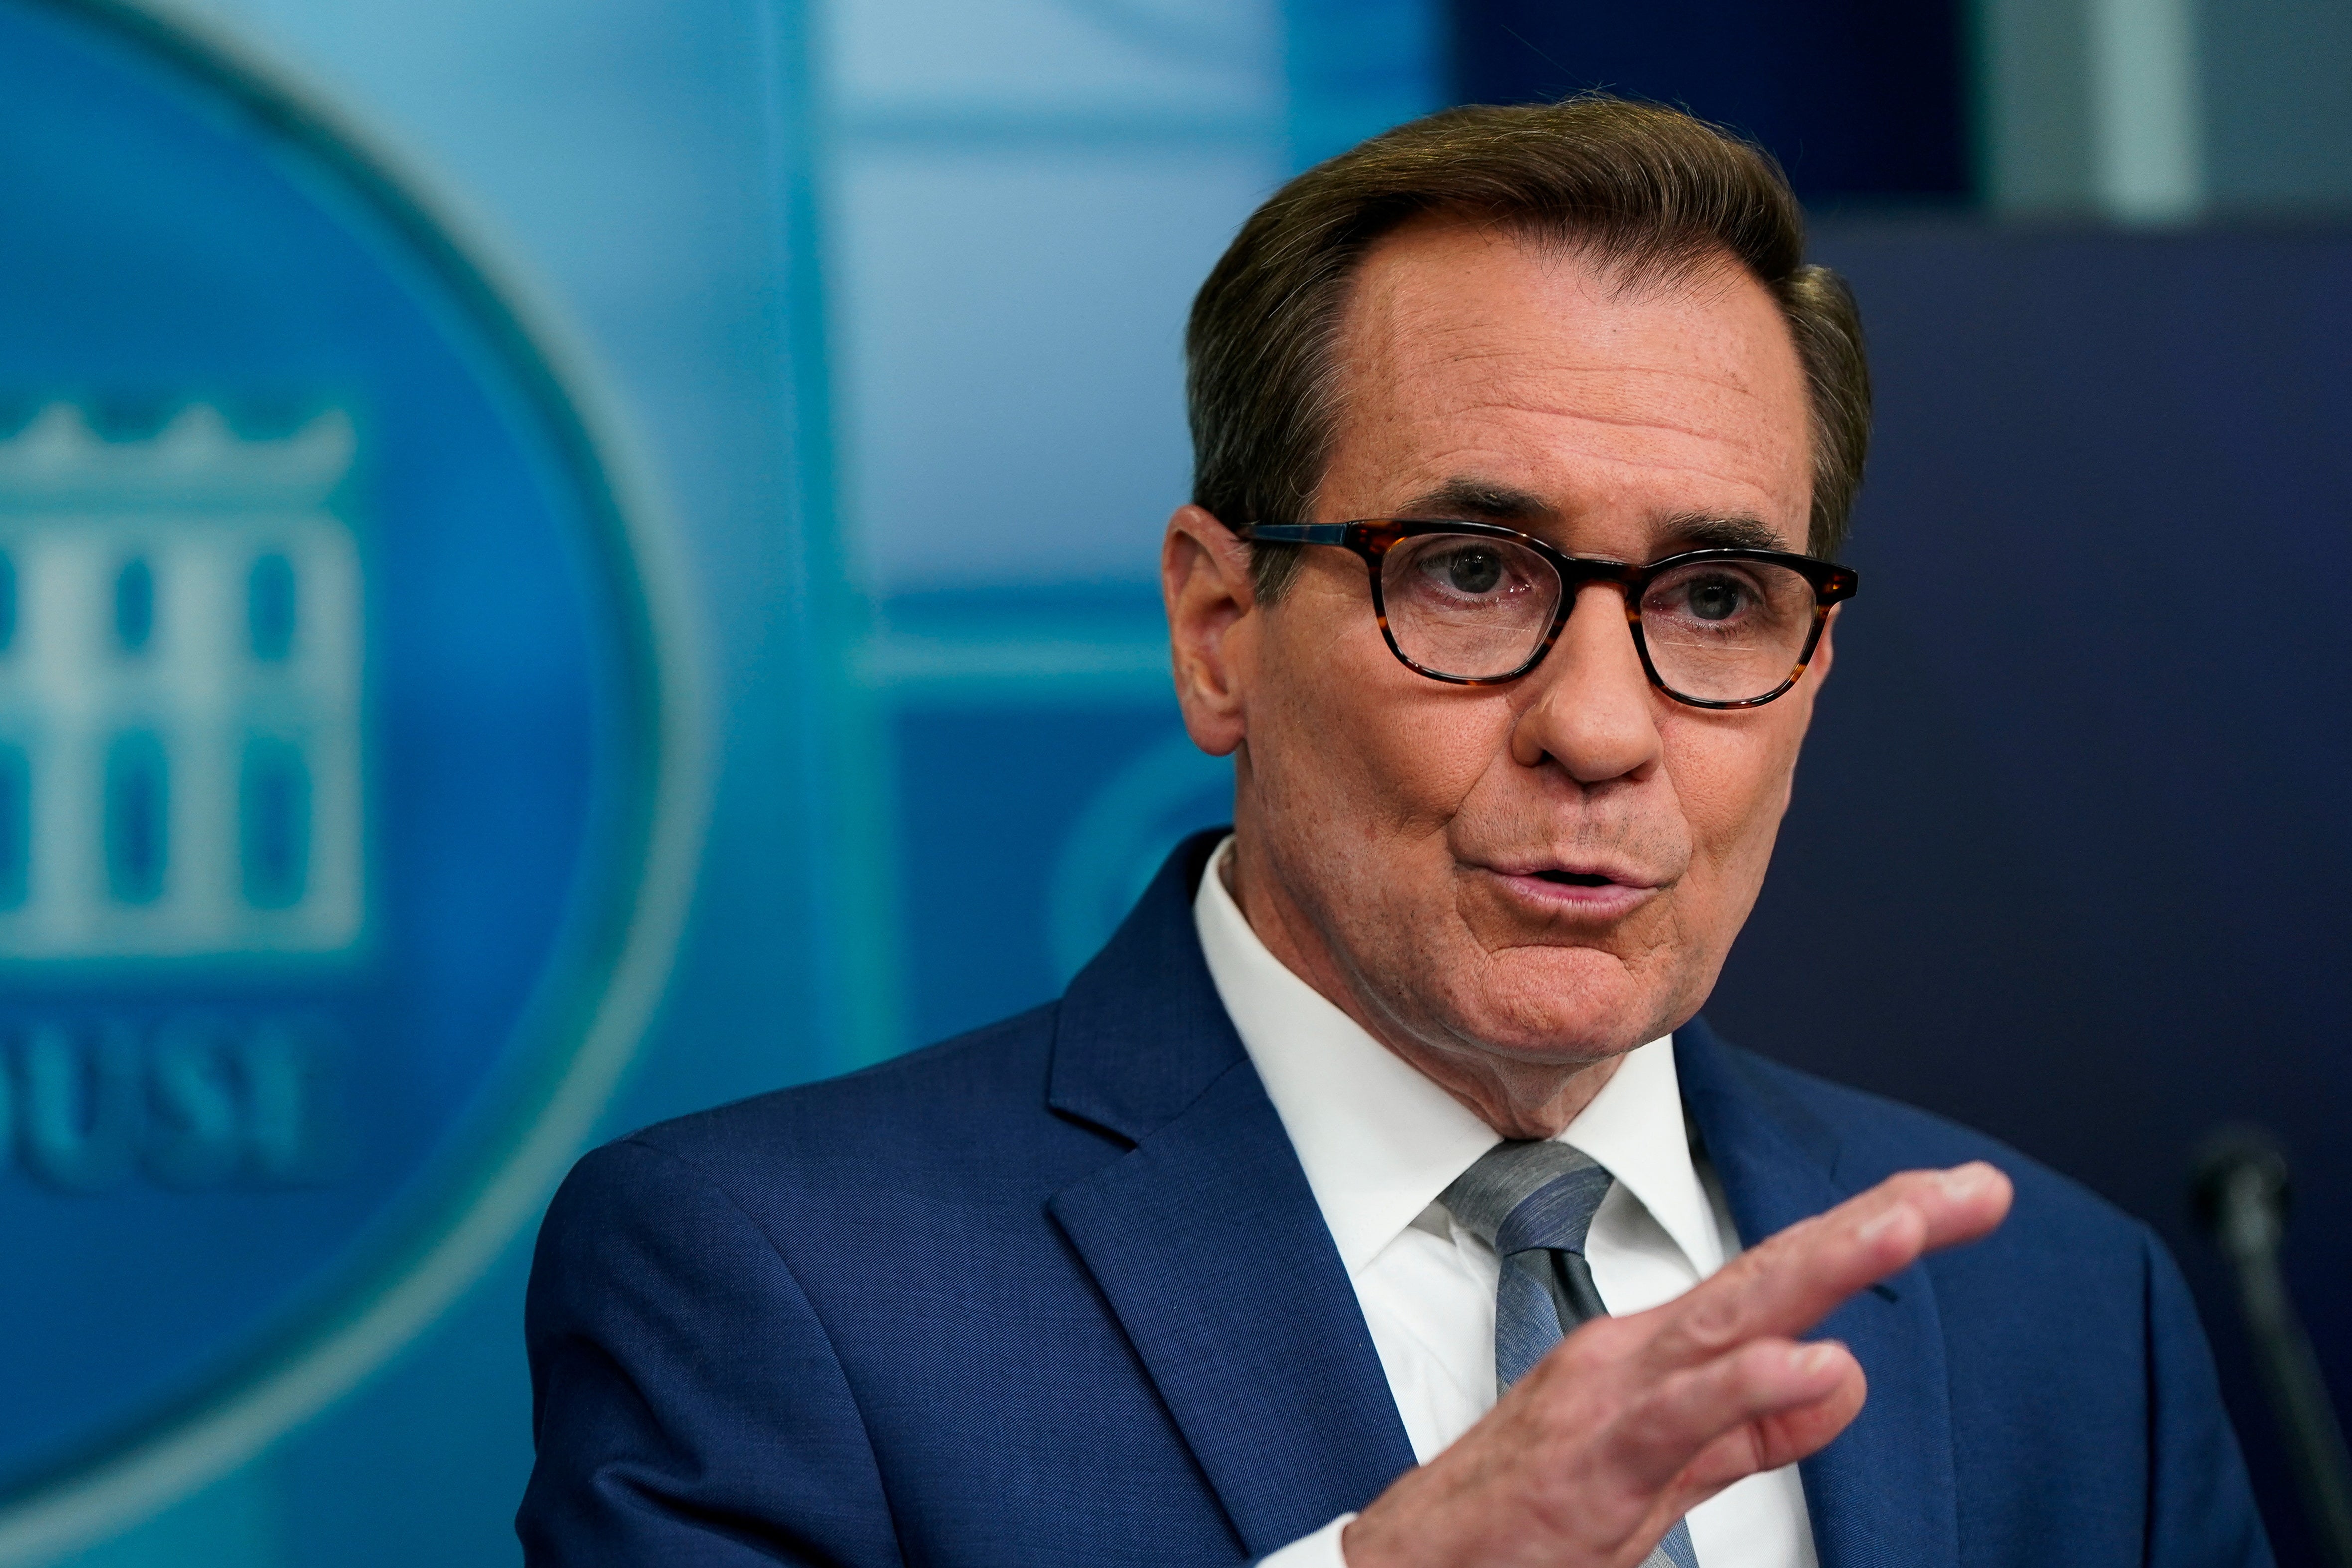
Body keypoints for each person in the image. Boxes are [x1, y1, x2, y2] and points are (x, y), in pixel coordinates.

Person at [517, 97, 2271, 1568]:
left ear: (1813, 673)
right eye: (1471, 571)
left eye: (1720, 595)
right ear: (1219, 629)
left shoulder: (2062, 1316)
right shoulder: (768, 1280)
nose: (1598, 724)